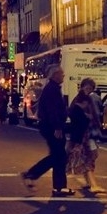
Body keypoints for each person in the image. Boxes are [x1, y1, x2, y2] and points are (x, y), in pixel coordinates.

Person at [21, 64, 75, 196]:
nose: (63, 76)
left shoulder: (53, 88)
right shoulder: (52, 90)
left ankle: (58, 187)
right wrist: (57, 127)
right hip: (52, 127)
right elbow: (52, 111)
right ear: (55, 75)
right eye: (61, 74)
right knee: (59, 156)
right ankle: (32, 175)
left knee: (58, 156)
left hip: (50, 126)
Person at [66, 78, 106, 194]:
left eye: (91, 88)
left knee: (87, 156)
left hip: (84, 133)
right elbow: (75, 115)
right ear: (82, 87)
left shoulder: (84, 98)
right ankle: (93, 185)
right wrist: (87, 116)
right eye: (87, 87)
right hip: (84, 134)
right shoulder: (81, 99)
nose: (88, 90)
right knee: (91, 156)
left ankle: (89, 182)